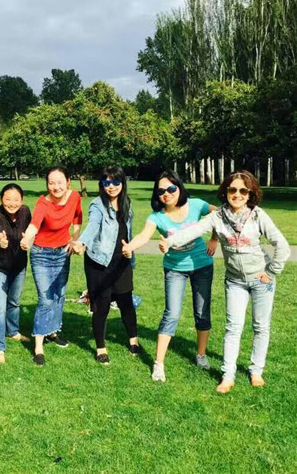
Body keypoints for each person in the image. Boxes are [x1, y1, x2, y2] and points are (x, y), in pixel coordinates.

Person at [161, 170, 290, 394]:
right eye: (232, 190)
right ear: (226, 191)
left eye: (243, 191)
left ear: (250, 194)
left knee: (261, 326)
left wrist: (271, 272)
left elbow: (282, 246)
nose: (237, 194)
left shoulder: (258, 215)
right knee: (233, 328)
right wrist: (171, 241)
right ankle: (227, 375)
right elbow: (194, 230)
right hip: (235, 282)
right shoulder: (218, 216)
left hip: (261, 280)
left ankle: (256, 371)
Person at [122, 170, 217, 381]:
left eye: (171, 188)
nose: (166, 194)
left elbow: (219, 215)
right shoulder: (157, 216)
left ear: (179, 188)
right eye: (161, 191)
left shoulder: (196, 205)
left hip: (202, 265)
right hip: (175, 269)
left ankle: (201, 355)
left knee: (202, 312)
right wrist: (130, 247)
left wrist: (214, 239)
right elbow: (144, 235)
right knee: (172, 313)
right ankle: (159, 364)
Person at [74, 166, 137, 365]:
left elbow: (128, 232)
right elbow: (93, 225)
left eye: (116, 182)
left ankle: (133, 340)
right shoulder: (97, 205)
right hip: (99, 262)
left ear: (122, 183)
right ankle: (100, 347)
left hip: (122, 261)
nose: (111, 186)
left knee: (126, 302)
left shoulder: (126, 203)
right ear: (101, 184)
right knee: (102, 305)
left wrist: (130, 251)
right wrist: (82, 242)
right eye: (106, 182)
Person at [20, 166, 82, 366]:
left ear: (68, 182)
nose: (56, 187)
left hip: (63, 253)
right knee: (46, 299)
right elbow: (34, 225)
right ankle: (38, 346)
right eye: (51, 183)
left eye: (60, 182)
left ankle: (52, 332)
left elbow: (77, 219)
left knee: (59, 295)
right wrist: (27, 239)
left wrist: (74, 239)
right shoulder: (43, 203)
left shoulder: (74, 197)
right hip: (42, 254)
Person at [0, 183, 31, 364]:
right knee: (0, 307)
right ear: (1, 200)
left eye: (16, 199)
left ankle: (12, 331)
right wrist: (1, 240)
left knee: (14, 302)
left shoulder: (25, 212)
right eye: (8, 199)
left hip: (19, 267)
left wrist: (29, 239)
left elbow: (31, 230)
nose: (12, 203)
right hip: (0, 268)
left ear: (21, 200)